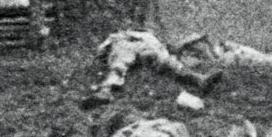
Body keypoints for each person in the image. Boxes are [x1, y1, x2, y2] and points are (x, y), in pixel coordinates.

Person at [82, 30, 223, 107]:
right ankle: (105, 91)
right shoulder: (122, 45)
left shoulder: (157, 50)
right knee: (121, 64)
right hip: (127, 44)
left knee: (168, 62)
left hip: (149, 45)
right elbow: (114, 62)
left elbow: (171, 61)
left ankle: (199, 80)